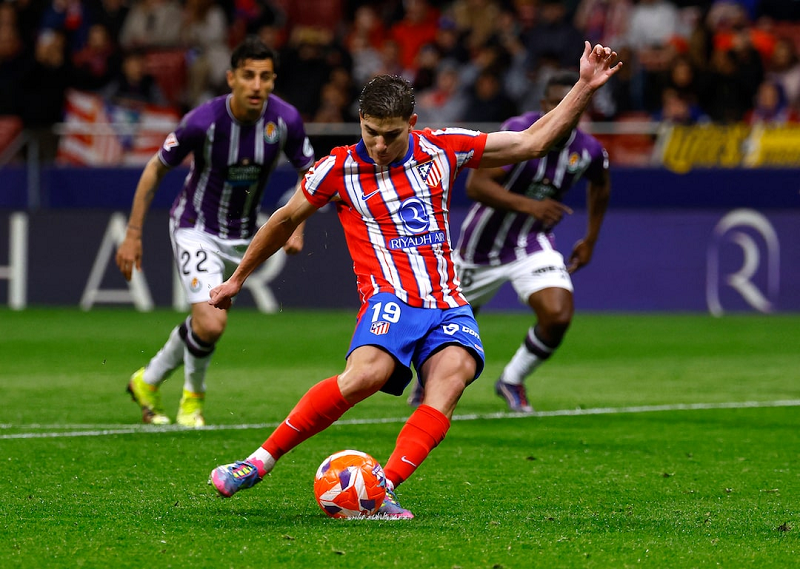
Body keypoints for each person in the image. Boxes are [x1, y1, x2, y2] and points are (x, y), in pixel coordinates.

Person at [206, 42, 621, 518]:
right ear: (359, 120)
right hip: (391, 298)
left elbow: (532, 142)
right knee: (367, 376)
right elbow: (282, 220)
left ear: (413, 124)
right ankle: (257, 461)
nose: (379, 145)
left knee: (453, 378)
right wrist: (238, 278)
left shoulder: (443, 148)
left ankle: (381, 489)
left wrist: (585, 86)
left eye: (391, 135)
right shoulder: (338, 167)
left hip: (447, 299)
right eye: (370, 132)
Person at [115, 36, 315, 427]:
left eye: (265, 77)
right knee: (211, 322)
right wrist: (133, 232)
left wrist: (298, 225)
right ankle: (192, 402)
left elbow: (310, 172)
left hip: (245, 234)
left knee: (203, 323)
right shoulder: (202, 122)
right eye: (248, 76)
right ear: (231, 78)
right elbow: (155, 169)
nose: (257, 85)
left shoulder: (285, 120)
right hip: (196, 227)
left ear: (273, 81)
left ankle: (148, 380)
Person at [409, 70, 611, 412]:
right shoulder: (518, 129)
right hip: (480, 248)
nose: (570, 112)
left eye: (576, 105)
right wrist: (532, 206)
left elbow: (601, 184)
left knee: (558, 315)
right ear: (546, 105)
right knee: (447, 324)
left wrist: (590, 238)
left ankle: (512, 380)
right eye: (560, 104)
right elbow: (476, 186)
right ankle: (426, 380)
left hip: (532, 242)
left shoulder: (588, 150)